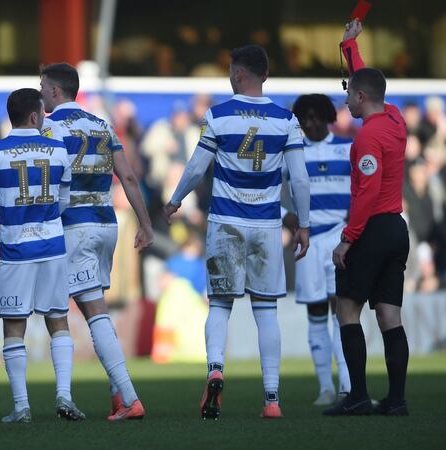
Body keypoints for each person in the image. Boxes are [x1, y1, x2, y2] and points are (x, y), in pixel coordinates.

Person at [163, 45, 311, 420]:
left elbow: (198, 166)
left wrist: (175, 199)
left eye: (231, 69)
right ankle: (272, 399)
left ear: (240, 74)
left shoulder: (219, 115)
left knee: (220, 305)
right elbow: (300, 180)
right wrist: (303, 224)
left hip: (226, 222)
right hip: (265, 224)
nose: (228, 74)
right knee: (265, 310)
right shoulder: (285, 120)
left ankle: (215, 368)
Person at [40, 62, 152, 421]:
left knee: (92, 312)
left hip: (75, 227)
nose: (40, 92)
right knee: (96, 308)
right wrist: (145, 224)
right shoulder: (102, 125)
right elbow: (129, 176)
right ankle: (118, 394)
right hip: (106, 224)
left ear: (56, 91)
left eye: (43, 86)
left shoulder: (48, 127)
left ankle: (131, 398)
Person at [0, 87, 82, 423]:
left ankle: (22, 406)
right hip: (53, 247)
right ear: (36, 115)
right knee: (58, 321)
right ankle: (64, 396)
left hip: (16, 251)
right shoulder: (59, 150)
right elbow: (63, 202)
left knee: (14, 326)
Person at [325, 20, 410, 417]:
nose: (346, 103)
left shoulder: (367, 139)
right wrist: (350, 47)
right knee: (389, 314)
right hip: (397, 227)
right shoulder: (395, 119)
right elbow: (367, 81)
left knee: (347, 308)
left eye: (349, 98)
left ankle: (357, 396)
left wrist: (348, 238)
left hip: (373, 226)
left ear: (361, 98)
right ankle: (396, 401)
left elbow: (367, 193)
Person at [284, 94, 352, 406]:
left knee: (342, 312)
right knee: (315, 313)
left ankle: (347, 386)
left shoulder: (347, 148)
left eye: (315, 116)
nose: (310, 123)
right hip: (308, 242)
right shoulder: (292, 153)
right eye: (305, 118)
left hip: (341, 239)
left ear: (327, 117)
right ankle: (325, 386)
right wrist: (287, 218)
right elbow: (271, 194)